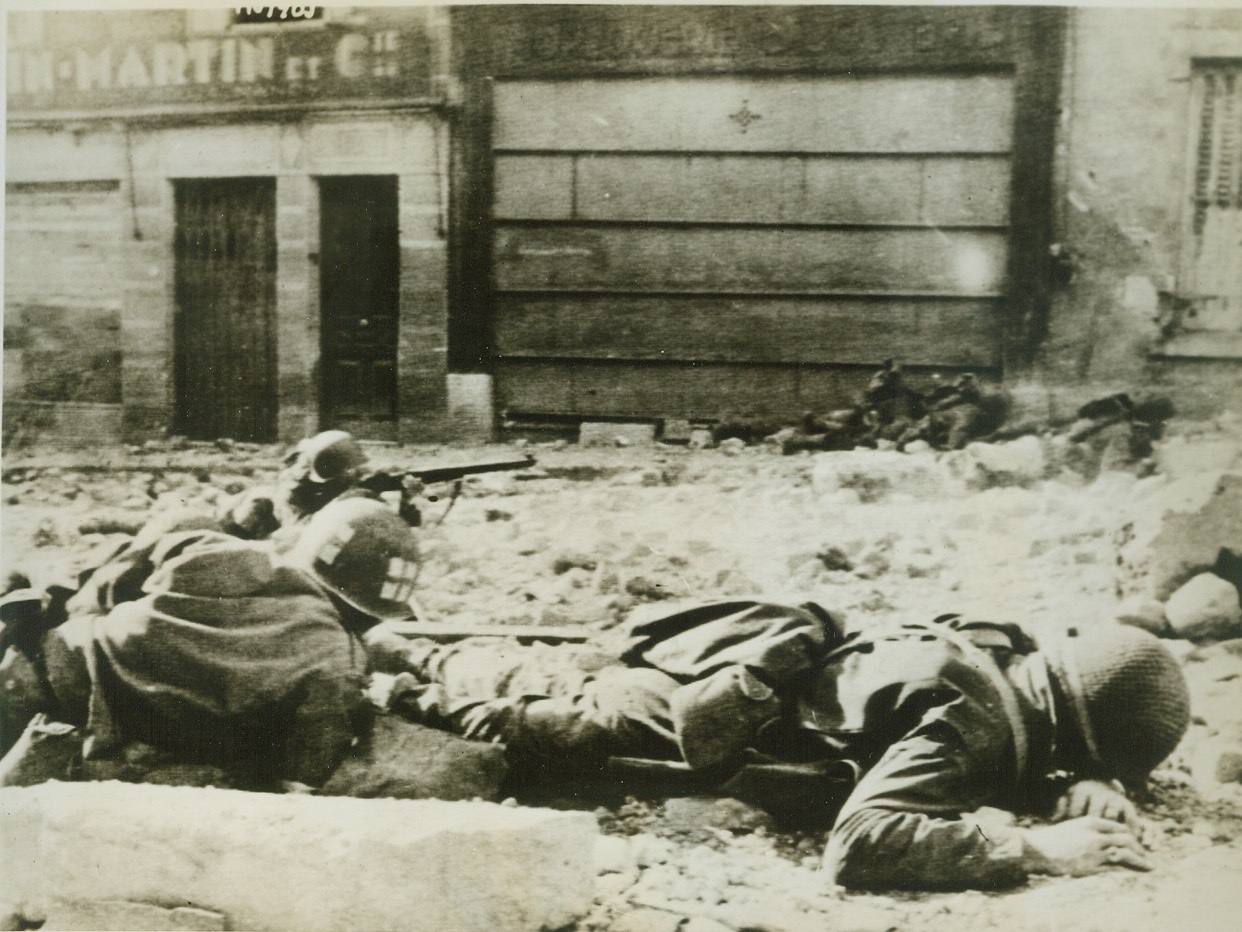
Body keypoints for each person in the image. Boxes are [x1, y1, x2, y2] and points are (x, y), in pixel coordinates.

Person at [367, 599, 1190, 891]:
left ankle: (411, 649)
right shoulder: (970, 723)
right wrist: (1037, 849)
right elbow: (862, 844)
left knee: (524, 683)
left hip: (696, 686)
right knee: (517, 721)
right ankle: (393, 681)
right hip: (655, 730)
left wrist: (1072, 781)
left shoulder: (991, 652)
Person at [0, 497, 420, 790]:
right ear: (371, 612)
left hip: (29, 662)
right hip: (71, 726)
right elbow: (300, 777)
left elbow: (145, 553)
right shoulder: (338, 662)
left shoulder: (220, 549)